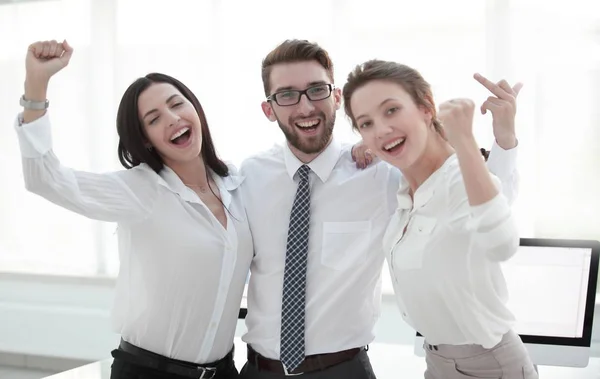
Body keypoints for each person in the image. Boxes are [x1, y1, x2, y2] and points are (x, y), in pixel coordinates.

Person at [237, 39, 521, 379]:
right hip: (258, 369)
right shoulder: (249, 176)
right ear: (269, 109)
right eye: (286, 95)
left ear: (336, 96)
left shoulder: (382, 173)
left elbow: (483, 199)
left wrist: (504, 140)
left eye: (316, 90)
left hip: (343, 370)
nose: (305, 106)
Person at [14, 40, 253, 379]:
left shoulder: (238, 184)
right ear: (144, 140)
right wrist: (35, 87)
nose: (172, 119)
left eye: (177, 104)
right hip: (149, 372)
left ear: (196, 110)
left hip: (224, 371)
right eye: (154, 119)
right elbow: (45, 179)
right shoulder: (140, 191)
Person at [342, 59, 537, 378]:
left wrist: (470, 141)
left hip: (490, 364)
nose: (380, 128)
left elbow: (500, 239)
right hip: (437, 361)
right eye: (366, 123)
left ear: (426, 108)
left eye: (391, 110)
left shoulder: (458, 178)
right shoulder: (408, 192)